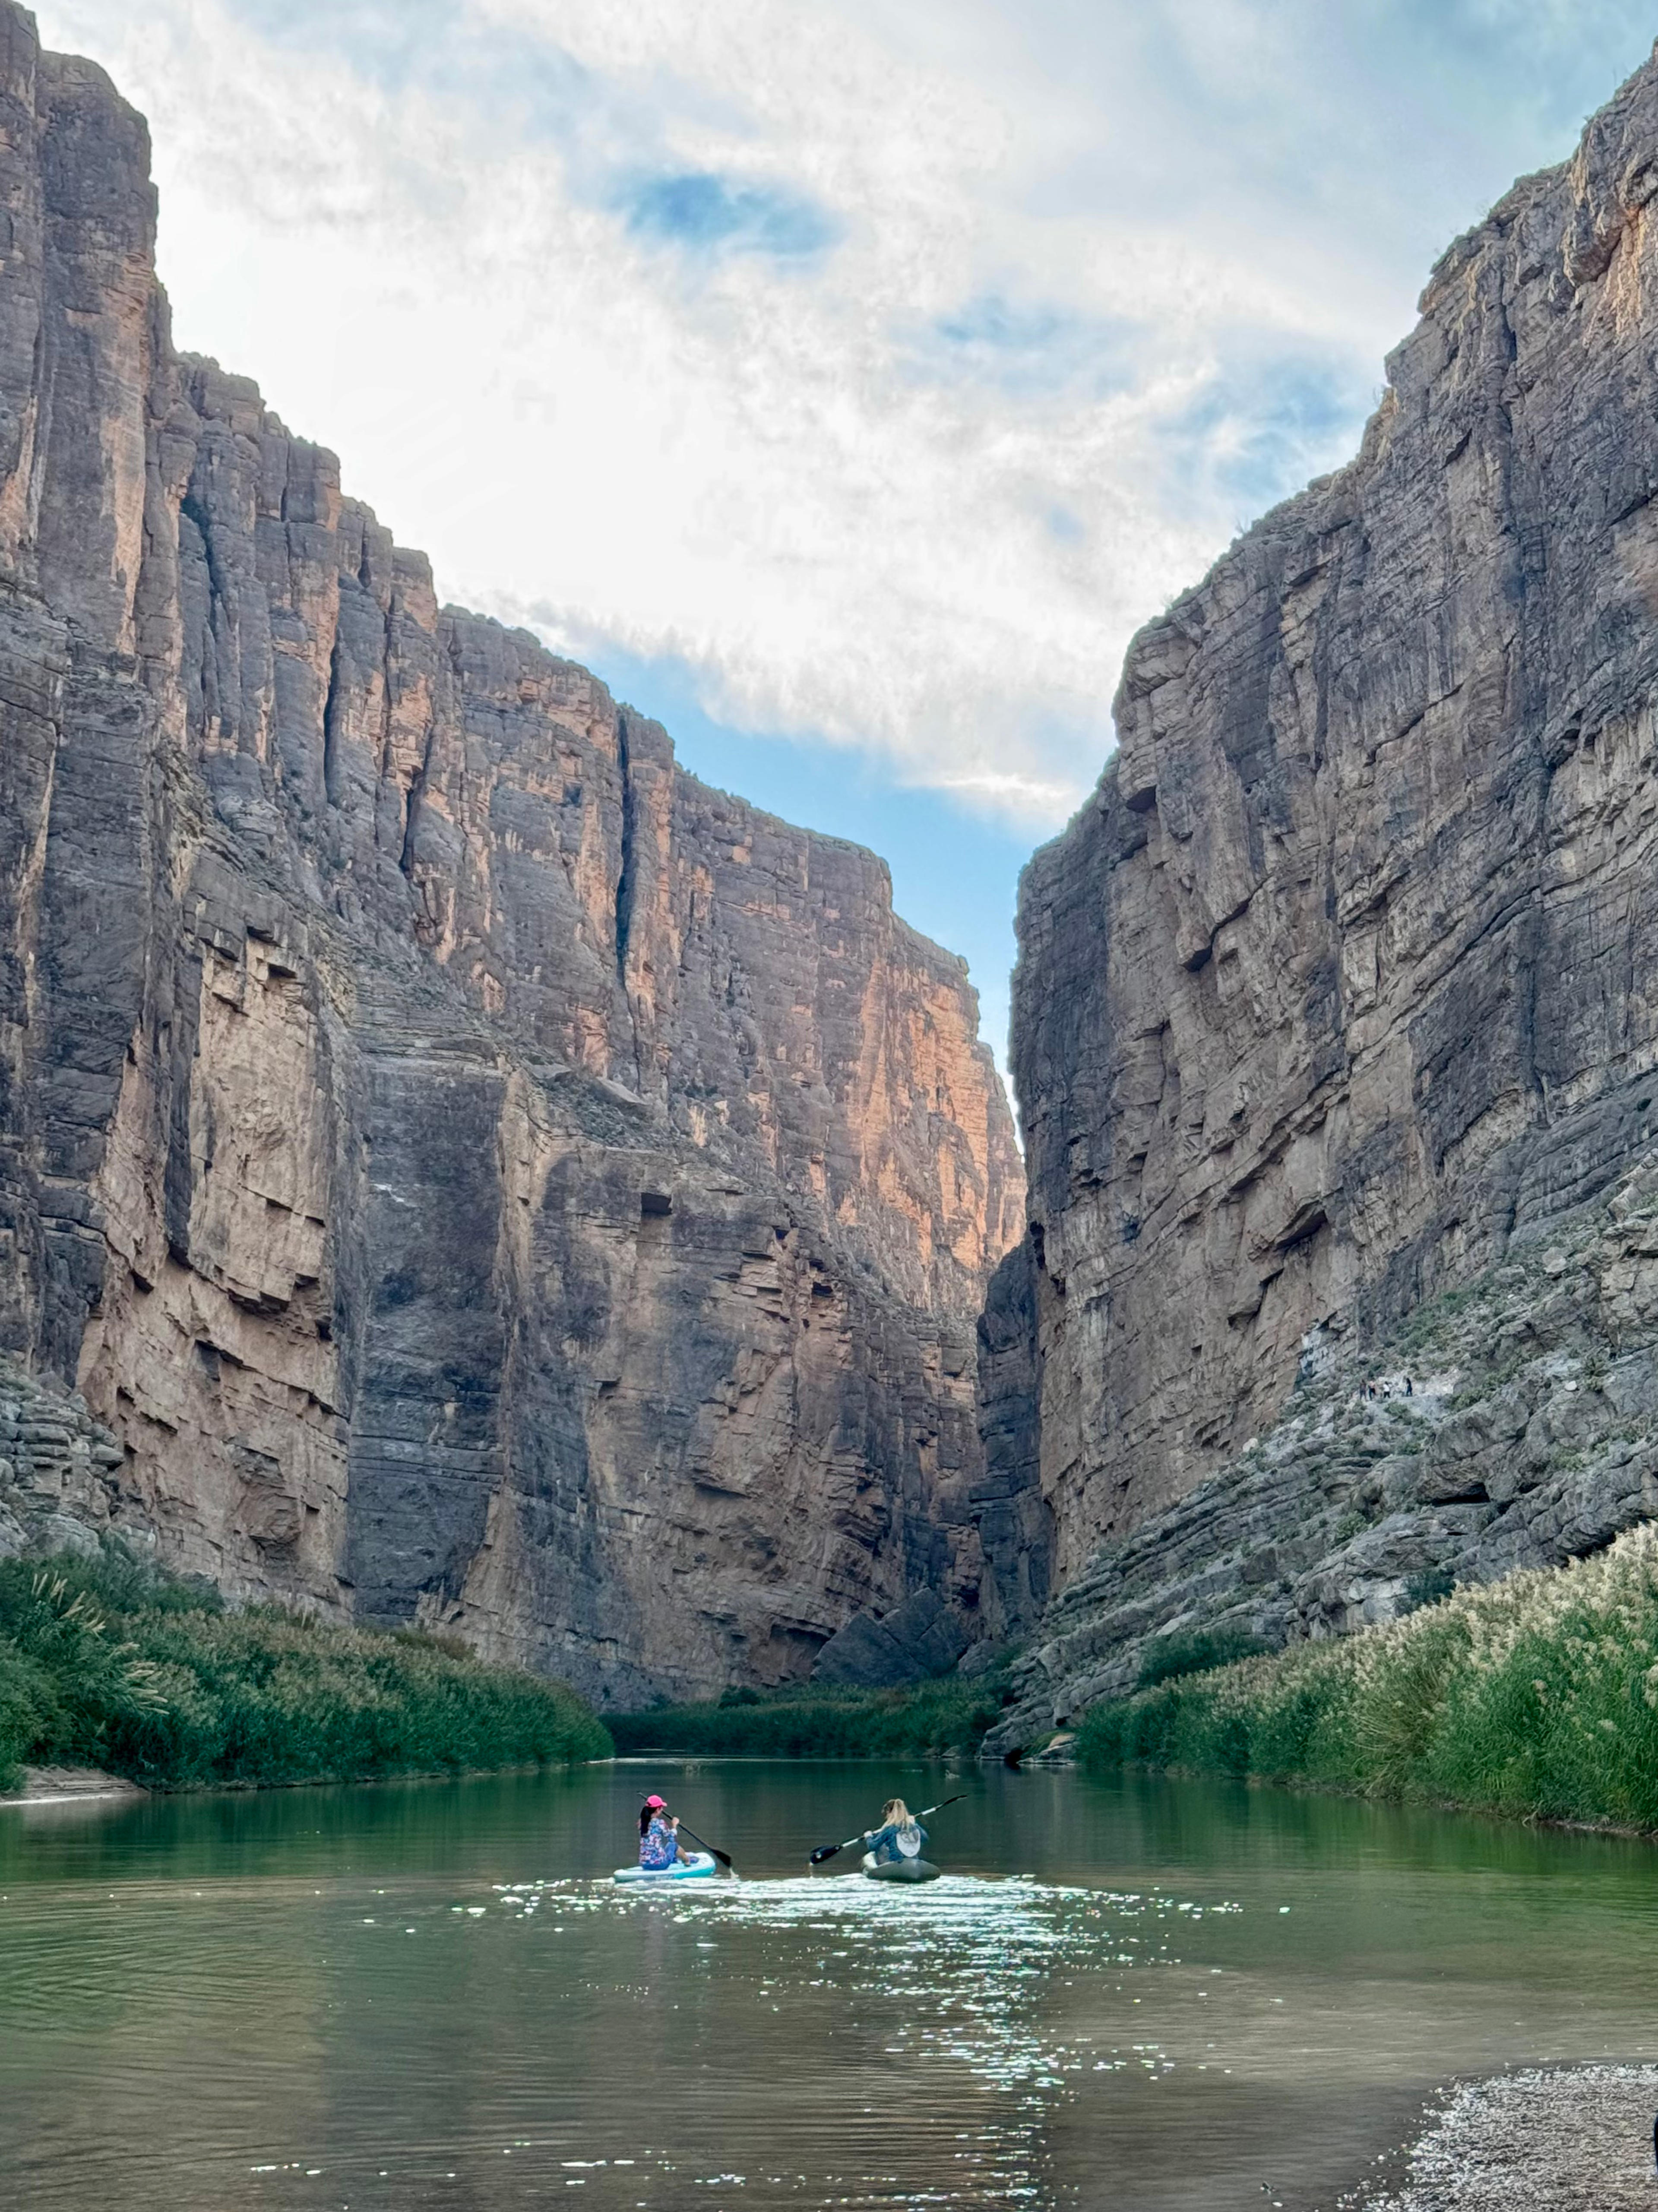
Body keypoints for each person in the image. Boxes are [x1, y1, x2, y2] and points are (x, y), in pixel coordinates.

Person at [860, 1797, 926, 1871]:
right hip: (913, 1863)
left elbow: (873, 1846)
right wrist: (915, 1825)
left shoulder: (890, 1829)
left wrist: (869, 1837)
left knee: (881, 1847)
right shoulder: (913, 1827)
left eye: (887, 1815)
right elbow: (925, 1838)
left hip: (897, 1864)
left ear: (889, 1812)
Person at [638, 1794, 691, 1870]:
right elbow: (672, 1838)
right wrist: (674, 1825)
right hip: (660, 1864)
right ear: (657, 1810)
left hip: (645, 1864)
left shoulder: (641, 1823)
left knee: (664, 1847)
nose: (662, 1810)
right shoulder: (660, 1823)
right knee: (673, 1845)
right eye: (661, 1808)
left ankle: (675, 1859)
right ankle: (687, 1862)